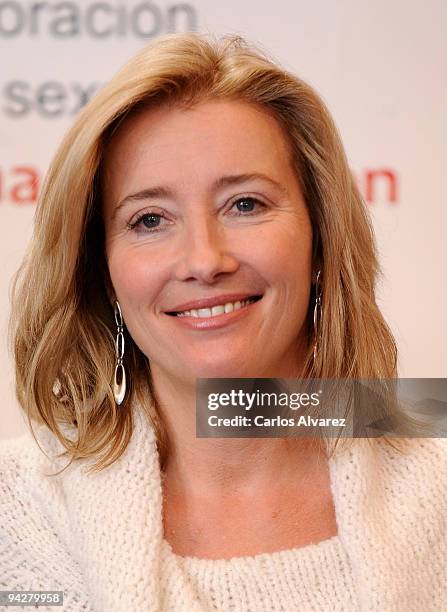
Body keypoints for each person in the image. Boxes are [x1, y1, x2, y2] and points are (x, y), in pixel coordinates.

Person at [1, 32, 446, 612]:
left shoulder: (437, 478)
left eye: (246, 204)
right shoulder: (18, 505)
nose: (205, 261)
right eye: (150, 219)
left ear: (321, 237)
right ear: (99, 268)